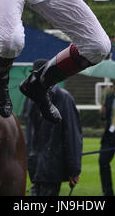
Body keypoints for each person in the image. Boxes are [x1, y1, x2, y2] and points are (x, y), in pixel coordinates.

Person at [24, 59, 82, 196]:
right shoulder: (31, 99)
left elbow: (72, 136)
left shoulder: (63, 98)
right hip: (36, 166)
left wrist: (74, 170)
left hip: (51, 167)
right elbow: (30, 134)